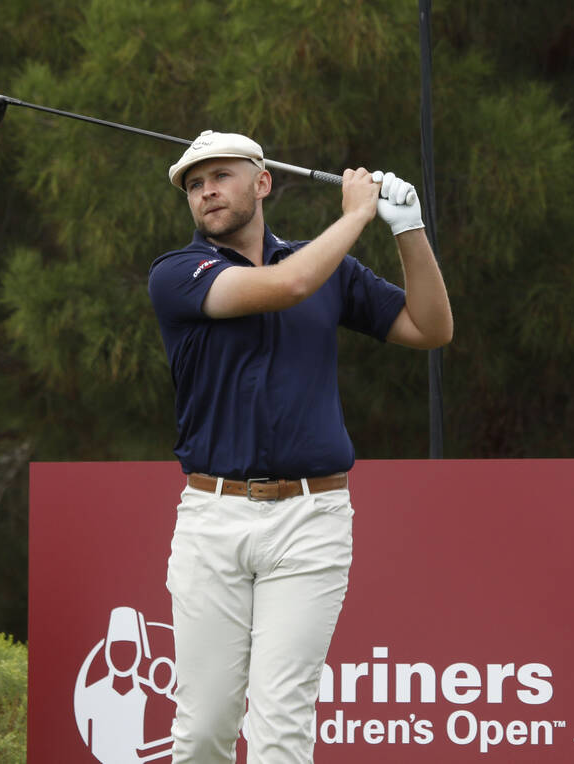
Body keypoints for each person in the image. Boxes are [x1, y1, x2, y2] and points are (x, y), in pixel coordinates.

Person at [147, 130, 452, 763]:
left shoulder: (328, 267)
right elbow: (284, 288)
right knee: (204, 728)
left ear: (261, 182)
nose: (206, 191)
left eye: (221, 176)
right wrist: (357, 214)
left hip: (312, 522)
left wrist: (408, 229)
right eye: (194, 184)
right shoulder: (178, 274)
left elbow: (431, 327)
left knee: (283, 725)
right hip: (214, 518)